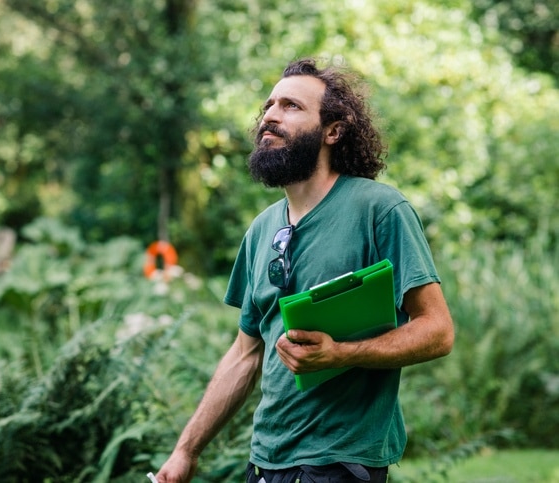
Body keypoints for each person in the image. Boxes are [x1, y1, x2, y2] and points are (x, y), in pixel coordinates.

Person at [155, 58, 454, 483]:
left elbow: (438, 330)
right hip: (264, 464)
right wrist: (185, 451)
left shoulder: (379, 209)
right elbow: (245, 354)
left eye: (292, 106)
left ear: (333, 131)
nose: (271, 116)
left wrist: (342, 354)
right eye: (269, 106)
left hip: (339, 463)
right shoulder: (261, 229)